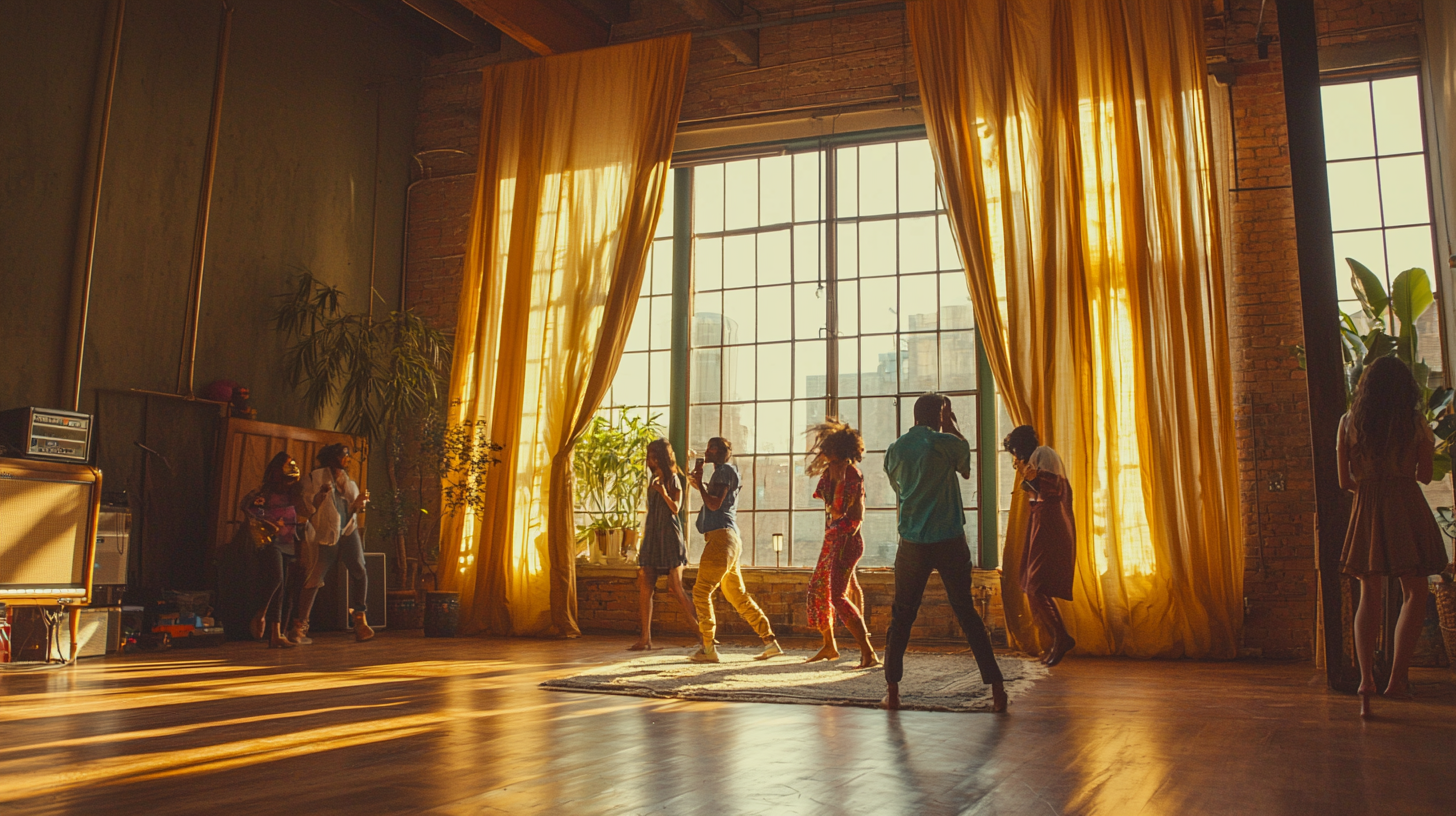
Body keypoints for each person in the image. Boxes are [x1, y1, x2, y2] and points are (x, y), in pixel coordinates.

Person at [1337, 357, 1450, 718]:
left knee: (1368, 593)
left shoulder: (1348, 423)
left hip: (1366, 508)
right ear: (1406, 389)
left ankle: (1366, 678)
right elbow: (1427, 476)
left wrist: (1371, 489)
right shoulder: (1414, 423)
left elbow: (1344, 482)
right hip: (1405, 506)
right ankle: (1398, 679)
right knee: (1415, 592)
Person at [883, 393, 1006, 711]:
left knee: (902, 616)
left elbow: (899, 487)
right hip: (950, 539)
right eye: (943, 414)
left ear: (913, 416)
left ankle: (893, 691)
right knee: (966, 612)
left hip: (912, 541)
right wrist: (951, 425)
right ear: (939, 416)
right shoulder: (946, 442)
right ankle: (997, 691)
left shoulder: (896, 449)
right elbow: (965, 467)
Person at [688, 436, 783, 663]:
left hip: (721, 538)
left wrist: (700, 484)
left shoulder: (723, 471)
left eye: (711, 447)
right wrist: (699, 483)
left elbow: (714, 504)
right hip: (729, 539)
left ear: (721, 452)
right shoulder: (725, 471)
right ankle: (770, 642)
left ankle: (708, 649)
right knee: (737, 595)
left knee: (701, 592)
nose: (707, 450)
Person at [804, 419, 879, 669]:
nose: (821, 450)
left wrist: (837, 530)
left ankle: (868, 652)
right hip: (833, 540)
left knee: (837, 596)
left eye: (827, 447)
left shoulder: (852, 474)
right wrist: (831, 531)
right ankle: (829, 646)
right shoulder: (829, 472)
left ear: (839, 449)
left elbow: (856, 518)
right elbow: (829, 507)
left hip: (848, 542)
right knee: (818, 590)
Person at [1003, 425, 1076, 666]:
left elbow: (1050, 489)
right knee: (1031, 585)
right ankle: (1060, 637)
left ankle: (1061, 638)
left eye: (1015, 449)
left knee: (1036, 585)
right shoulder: (1035, 459)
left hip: (1049, 521)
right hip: (1040, 519)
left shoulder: (1043, 453)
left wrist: (1029, 475)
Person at [288, 444, 374, 645]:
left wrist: (359, 504)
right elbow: (307, 507)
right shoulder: (315, 477)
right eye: (344, 455)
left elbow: (351, 510)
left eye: (348, 456)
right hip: (326, 534)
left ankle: (360, 621)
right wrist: (319, 497)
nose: (347, 459)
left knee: (360, 570)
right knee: (314, 577)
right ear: (332, 457)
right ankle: (299, 627)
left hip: (348, 531)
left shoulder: (348, 482)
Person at [243, 452, 330, 648]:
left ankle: (276, 634)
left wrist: (319, 499)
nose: (293, 467)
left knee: (284, 590)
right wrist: (269, 521)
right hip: (270, 541)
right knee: (276, 578)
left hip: (290, 541)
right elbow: (249, 507)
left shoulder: (294, 493)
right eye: (288, 464)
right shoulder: (265, 492)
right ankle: (261, 613)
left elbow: (305, 513)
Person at [631, 438, 698, 650]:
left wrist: (663, 491)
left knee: (676, 587)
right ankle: (645, 639)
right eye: (649, 455)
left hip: (668, 534)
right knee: (645, 584)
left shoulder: (674, 478)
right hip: (652, 534)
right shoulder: (652, 478)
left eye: (654, 455)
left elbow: (676, 508)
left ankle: (702, 634)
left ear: (662, 456)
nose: (651, 459)